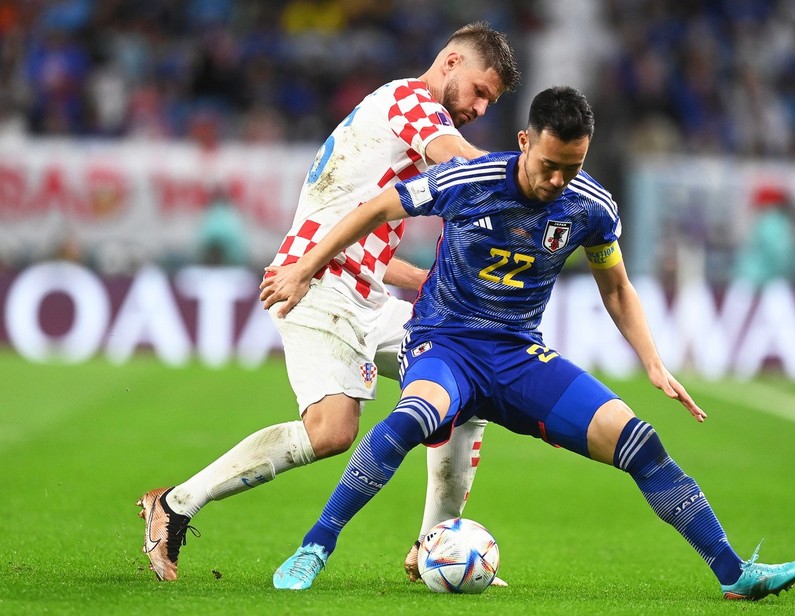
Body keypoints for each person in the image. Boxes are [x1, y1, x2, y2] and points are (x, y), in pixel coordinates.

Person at [261, 86, 795, 599]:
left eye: (572, 168)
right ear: (525, 141)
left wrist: (654, 363)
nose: (557, 181)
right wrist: (307, 267)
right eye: (549, 166)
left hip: (519, 357)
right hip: (444, 345)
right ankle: (316, 545)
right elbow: (376, 208)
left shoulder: (591, 207)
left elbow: (616, 287)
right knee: (411, 419)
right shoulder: (468, 180)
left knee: (640, 442)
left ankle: (735, 575)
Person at [137, 22, 521, 583]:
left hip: (361, 288)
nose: (481, 108)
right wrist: (530, 179)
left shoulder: (394, 117)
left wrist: (417, 277)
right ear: (451, 63)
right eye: (480, 92)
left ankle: (433, 546)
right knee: (332, 432)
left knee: (464, 382)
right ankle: (173, 504)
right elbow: (458, 161)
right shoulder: (412, 101)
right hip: (316, 283)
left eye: (490, 101)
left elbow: (349, 221)